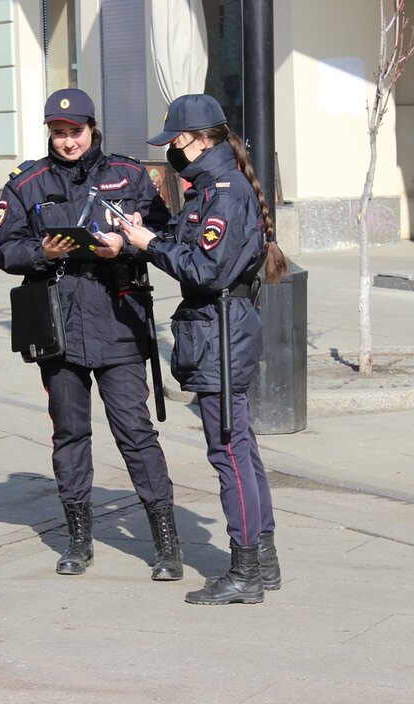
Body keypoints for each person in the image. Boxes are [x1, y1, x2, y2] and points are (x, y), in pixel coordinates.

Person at [0, 88, 183, 581]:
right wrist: (44, 253)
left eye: (75, 131)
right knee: (69, 435)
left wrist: (128, 244)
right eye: (58, 132)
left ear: (93, 129)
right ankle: (78, 540)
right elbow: (2, 248)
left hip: (119, 323)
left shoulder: (133, 175)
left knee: (135, 433)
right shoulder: (27, 183)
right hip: (57, 328)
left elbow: (165, 238)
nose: (68, 141)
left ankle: (166, 543)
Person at [119, 94, 287, 605]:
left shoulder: (224, 191)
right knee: (242, 451)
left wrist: (148, 246)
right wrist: (137, 238)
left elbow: (206, 269)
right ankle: (264, 560)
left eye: (175, 140)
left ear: (200, 139)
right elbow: (188, 244)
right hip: (219, 329)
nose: (171, 149)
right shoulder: (210, 187)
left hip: (220, 329)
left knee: (229, 452)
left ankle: (245, 572)